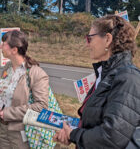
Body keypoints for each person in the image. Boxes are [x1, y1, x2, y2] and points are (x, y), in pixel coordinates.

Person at [53, 15, 140, 148]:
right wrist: (73, 133)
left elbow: (112, 136)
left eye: (90, 39)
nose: (87, 44)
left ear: (107, 39)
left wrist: (74, 135)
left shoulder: (128, 77)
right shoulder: (107, 74)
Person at [0, 30, 49, 149]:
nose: (1, 46)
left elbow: (41, 107)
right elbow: (8, 92)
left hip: (22, 131)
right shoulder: (7, 68)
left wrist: (8, 113)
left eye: (4, 44)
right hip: (3, 128)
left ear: (14, 50)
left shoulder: (36, 73)